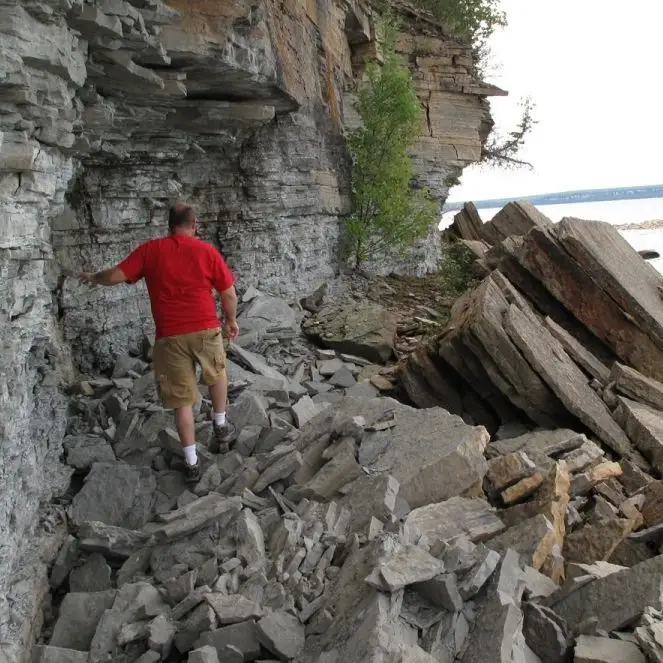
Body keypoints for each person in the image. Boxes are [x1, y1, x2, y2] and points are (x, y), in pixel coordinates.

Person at [79, 203, 239, 482]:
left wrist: (94, 277)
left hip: (170, 336)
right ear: (195, 224)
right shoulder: (207, 251)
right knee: (217, 373)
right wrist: (230, 320)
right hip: (205, 329)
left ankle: (191, 464)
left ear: (169, 225)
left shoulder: (151, 250)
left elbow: (116, 275)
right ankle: (221, 425)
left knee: (182, 402)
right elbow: (229, 293)